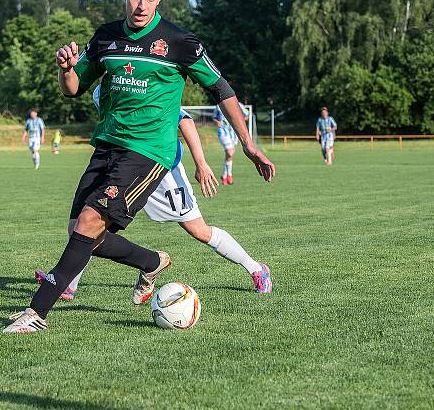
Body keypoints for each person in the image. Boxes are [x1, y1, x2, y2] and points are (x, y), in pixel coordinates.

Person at [4, 0, 274, 333]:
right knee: (80, 233)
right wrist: (66, 68)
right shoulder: (105, 37)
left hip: (149, 152)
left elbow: (221, 89)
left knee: (91, 222)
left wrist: (247, 143)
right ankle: (151, 261)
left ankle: (36, 314)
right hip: (107, 147)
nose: (141, 5)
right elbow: (73, 89)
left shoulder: (180, 42)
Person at [35, 86, 271, 300]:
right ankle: (69, 284)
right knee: (90, 222)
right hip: (124, 168)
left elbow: (184, 121)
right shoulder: (99, 92)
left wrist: (201, 163)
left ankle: (256, 269)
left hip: (162, 169)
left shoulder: (144, 80)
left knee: (199, 230)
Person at [213, 102, 249, 185]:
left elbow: (247, 115)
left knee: (229, 155)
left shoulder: (239, 105)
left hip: (234, 133)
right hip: (223, 132)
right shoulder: (218, 105)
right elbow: (214, 117)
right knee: (230, 152)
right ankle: (229, 175)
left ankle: (225, 175)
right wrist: (217, 122)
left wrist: (239, 121)